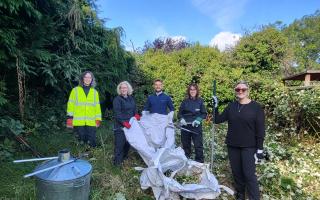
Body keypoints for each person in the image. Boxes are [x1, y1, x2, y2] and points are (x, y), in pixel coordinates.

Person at [213, 80, 265, 200]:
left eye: (243, 89)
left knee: (249, 174)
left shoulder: (256, 107)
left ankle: (254, 197)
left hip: (249, 146)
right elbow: (217, 120)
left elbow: (260, 129)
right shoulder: (231, 106)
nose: (240, 91)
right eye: (238, 89)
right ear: (235, 91)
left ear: (248, 91)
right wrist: (215, 107)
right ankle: (240, 195)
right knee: (237, 173)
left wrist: (260, 149)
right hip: (232, 145)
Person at [66, 71, 101, 148]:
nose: (87, 79)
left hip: (91, 122)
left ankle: (91, 158)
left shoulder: (95, 92)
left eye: (89, 77)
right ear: (82, 78)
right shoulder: (75, 90)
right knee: (81, 143)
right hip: (78, 122)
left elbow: (97, 107)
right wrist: (69, 119)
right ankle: (81, 158)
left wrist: (98, 120)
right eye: (86, 77)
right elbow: (70, 105)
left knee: (91, 142)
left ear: (92, 79)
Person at [112, 81, 140, 166]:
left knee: (127, 145)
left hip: (131, 126)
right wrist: (124, 123)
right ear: (119, 89)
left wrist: (137, 115)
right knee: (119, 146)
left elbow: (134, 109)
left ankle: (123, 161)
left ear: (128, 89)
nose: (123, 89)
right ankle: (117, 165)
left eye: (125, 87)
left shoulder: (131, 98)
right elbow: (117, 114)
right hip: (120, 127)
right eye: (122, 88)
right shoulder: (117, 99)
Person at [178, 83, 207, 163]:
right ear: (189, 91)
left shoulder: (200, 101)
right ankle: (186, 162)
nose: (192, 91)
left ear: (196, 91)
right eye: (191, 89)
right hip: (185, 126)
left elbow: (204, 113)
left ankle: (200, 163)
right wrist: (181, 119)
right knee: (186, 145)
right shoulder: (184, 102)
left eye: (194, 89)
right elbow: (179, 114)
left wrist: (198, 120)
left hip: (196, 126)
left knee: (198, 146)